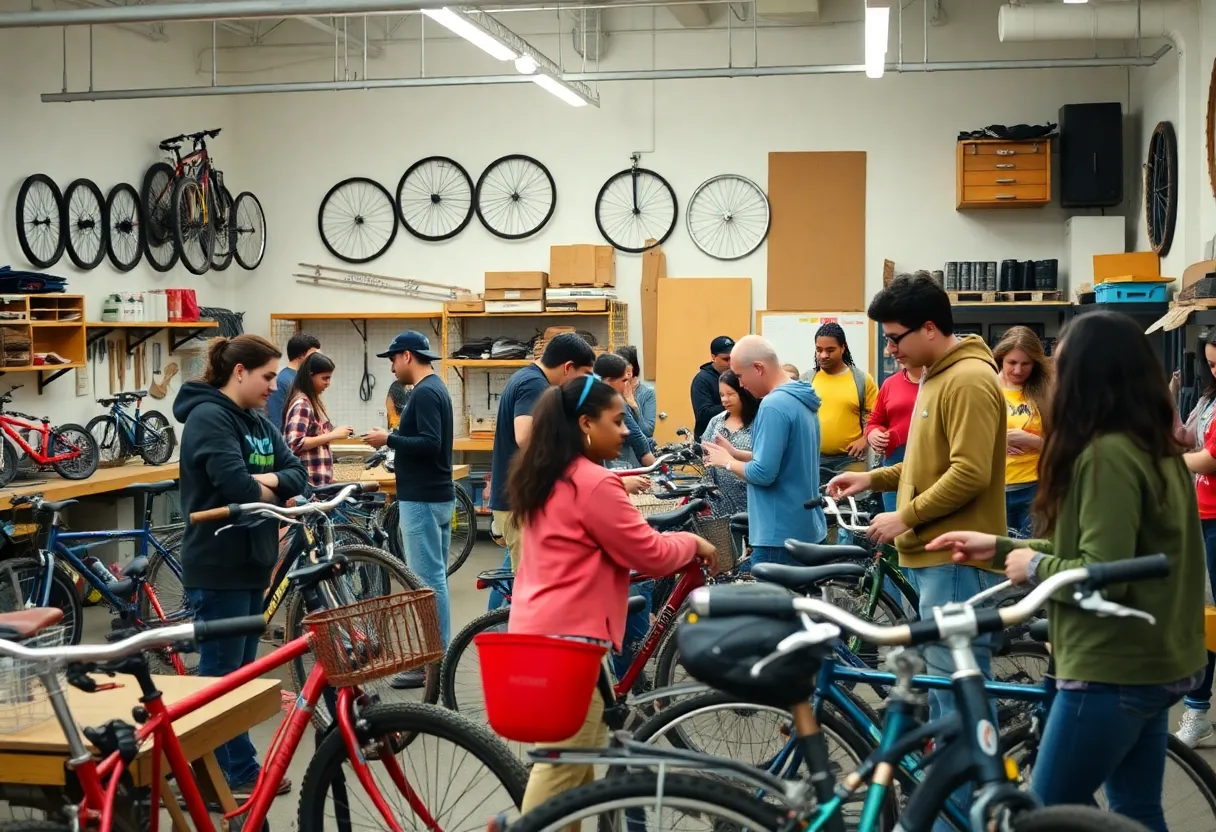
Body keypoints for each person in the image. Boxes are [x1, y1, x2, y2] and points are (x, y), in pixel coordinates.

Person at [930, 310, 1205, 832]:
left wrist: (1032, 564)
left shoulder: (1105, 456)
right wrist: (998, 546)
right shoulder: (1153, 449)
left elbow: (1103, 571)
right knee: (1136, 810)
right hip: (1153, 659)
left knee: (1045, 813)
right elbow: (1091, 548)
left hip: (1108, 666)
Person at [507, 374, 717, 812]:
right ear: (586, 423)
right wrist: (693, 542)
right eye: (618, 421)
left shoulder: (548, 473)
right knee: (563, 766)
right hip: (572, 643)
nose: (626, 431)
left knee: (577, 770)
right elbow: (652, 553)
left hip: (543, 631)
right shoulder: (595, 483)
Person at [827, 273, 1006, 722]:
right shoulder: (936, 377)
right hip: (937, 556)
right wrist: (873, 480)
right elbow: (929, 463)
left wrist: (904, 516)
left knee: (957, 693)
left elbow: (970, 472)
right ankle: (953, 788)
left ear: (929, 327)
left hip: (957, 556)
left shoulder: (967, 380)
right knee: (943, 688)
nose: (890, 350)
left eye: (894, 338)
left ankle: (968, 792)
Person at [173, 335, 309, 799]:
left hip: (254, 561)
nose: (275, 386)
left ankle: (230, 769)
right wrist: (264, 487)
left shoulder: (255, 420)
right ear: (240, 372)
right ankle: (220, 776)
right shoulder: (209, 418)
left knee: (242, 674)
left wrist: (263, 481)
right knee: (220, 675)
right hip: (219, 562)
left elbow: (297, 474)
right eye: (268, 376)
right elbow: (235, 488)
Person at [364, 331, 455, 690]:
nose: (391, 368)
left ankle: (434, 660)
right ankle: (439, 654)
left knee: (426, 583)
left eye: (392, 360)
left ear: (406, 356)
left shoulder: (427, 393)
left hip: (423, 499)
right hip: (434, 495)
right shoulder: (436, 389)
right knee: (435, 580)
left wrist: (388, 439)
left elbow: (430, 444)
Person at [487, 333, 596, 609]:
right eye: (584, 374)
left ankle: (503, 633)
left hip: (519, 497)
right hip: (518, 501)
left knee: (524, 585)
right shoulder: (535, 384)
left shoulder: (528, 378)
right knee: (531, 594)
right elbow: (525, 436)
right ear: (567, 367)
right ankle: (510, 646)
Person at [702, 335, 825, 567]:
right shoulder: (800, 396)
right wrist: (737, 453)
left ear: (758, 368)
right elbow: (786, 460)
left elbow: (763, 473)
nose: (740, 385)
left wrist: (727, 462)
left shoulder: (773, 405)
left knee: (770, 603)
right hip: (805, 526)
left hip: (778, 535)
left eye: (739, 376)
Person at [1175, 330, 1216, 748]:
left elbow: (1212, 459)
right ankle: (1199, 710)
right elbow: (1190, 438)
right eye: (1213, 364)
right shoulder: (1207, 400)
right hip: (1202, 515)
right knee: (1207, 620)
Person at [804, 322, 878, 544]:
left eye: (829, 350)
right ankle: (824, 569)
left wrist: (864, 439)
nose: (823, 355)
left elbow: (876, 416)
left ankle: (851, 568)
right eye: (818, 350)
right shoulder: (807, 380)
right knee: (820, 515)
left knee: (851, 518)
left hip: (851, 461)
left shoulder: (861, 380)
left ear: (843, 348)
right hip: (814, 461)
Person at [993, 326, 1052, 539]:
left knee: (1031, 558)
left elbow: (1064, 443)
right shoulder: (987, 388)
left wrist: (1034, 441)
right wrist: (997, 442)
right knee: (998, 562)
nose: (1018, 370)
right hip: (994, 489)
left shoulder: (1046, 391)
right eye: (1012, 363)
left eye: (1025, 364)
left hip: (1035, 488)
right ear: (1001, 358)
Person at [282, 352, 354, 487]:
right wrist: (333, 435)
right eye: (324, 378)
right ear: (310, 376)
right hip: (308, 485)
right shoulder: (302, 403)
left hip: (318, 484)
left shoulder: (312, 401)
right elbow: (294, 443)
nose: (328, 383)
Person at [865, 359, 922, 513]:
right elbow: (874, 421)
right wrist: (873, 434)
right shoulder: (890, 384)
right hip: (894, 461)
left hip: (929, 463)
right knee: (894, 521)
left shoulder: (940, 382)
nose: (893, 349)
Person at [701, 369, 758, 515]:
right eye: (721, 395)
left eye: (730, 394)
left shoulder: (759, 421)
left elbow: (764, 458)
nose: (724, 399)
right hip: (718, 500)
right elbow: (705, 451)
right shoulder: (717, 421)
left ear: (744, 393)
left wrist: (733, 454)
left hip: (751, 499)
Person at [593, 353, 655, 471]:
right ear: (609, 380)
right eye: (624, 380)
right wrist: (657, 468)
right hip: (615, 468)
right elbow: (637, 438)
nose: (627, 385)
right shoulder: (613, 403)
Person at [266, 333, 320, 430]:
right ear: (300, 356)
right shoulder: (282, 381)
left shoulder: (303, 378)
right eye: (313, 355)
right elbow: (276, 419)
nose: (317, 359)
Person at [691, 335, 735, 441]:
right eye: (726, 359)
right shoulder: (701, 380)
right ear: (713, 357)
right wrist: (734, 405)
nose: (730, 362)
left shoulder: (738, 374)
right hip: (709, 439)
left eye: (733, 358)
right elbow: (703, 414)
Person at [616, 346, 656, 438]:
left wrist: (634, 407)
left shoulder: (647, 394)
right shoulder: (612, 392)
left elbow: (648, 432)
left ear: (631, 371)